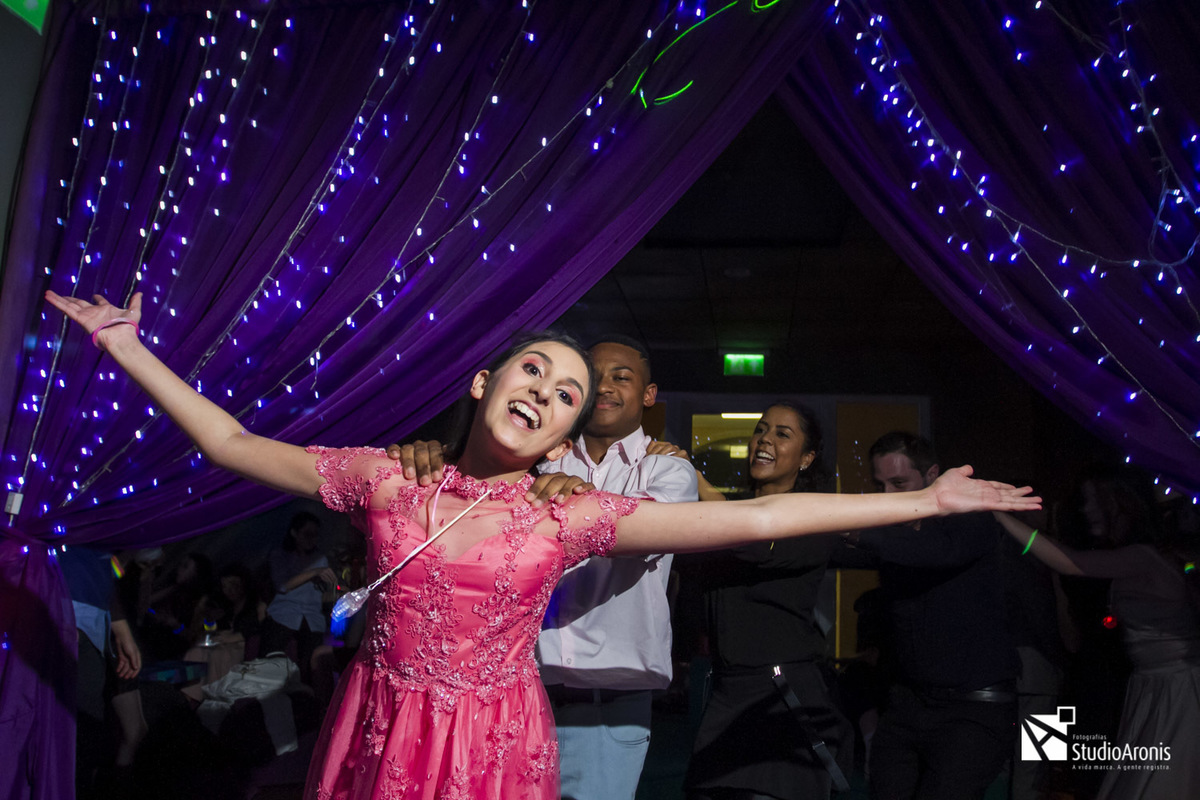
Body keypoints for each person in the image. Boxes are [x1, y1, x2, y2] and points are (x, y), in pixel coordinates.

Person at [46, 290, 1038, 800]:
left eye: (569, 392)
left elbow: (756, 518)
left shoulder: (568, 514)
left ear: (568, 434)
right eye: (535, 368)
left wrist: (920, 503)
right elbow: (232, 442)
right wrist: (126, 343)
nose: (548, 390)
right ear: (484, 380)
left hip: (494, 740)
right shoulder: (387, 476)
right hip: (380, 722)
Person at [681, 403, 854, 799]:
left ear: (807, 459)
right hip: (726, 691)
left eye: (782, 433)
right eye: (761, 429)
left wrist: (697, 482)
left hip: (780, 694)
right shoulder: (728, 510)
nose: (765, 439)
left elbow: (753, 544)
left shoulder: (812, 517)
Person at [997, 466, 1200, 800]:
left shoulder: (1142, 557)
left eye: (1092, 500)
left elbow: (1069, 564)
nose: (1085, 509)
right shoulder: (1122, 557)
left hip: (1165, 689)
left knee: (1160, 784)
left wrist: (999, 515)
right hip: (1105, 687)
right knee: (1040, 776)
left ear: (1119, 501)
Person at [842, 432, 1019, 800]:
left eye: (899, 483)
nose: (889, 496)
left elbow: (934, 552)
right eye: (880, 485)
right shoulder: (892, 535)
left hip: (974, 708)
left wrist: (853, 527)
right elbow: (833, 553)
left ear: (932, 476)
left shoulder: (970, 521)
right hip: (908, 705)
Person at [261, 511, 335, 685]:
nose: (312, 539)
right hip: (284, 614)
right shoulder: (280, 555)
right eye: (308, 534)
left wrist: (337, 590)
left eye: (315, 535)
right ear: (294, 533)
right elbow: (283, 585)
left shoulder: (320, 558)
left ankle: (313, 702)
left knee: (312, 664)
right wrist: (313, 572)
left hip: (311, 616)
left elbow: (326, 592)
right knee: (270, 658)